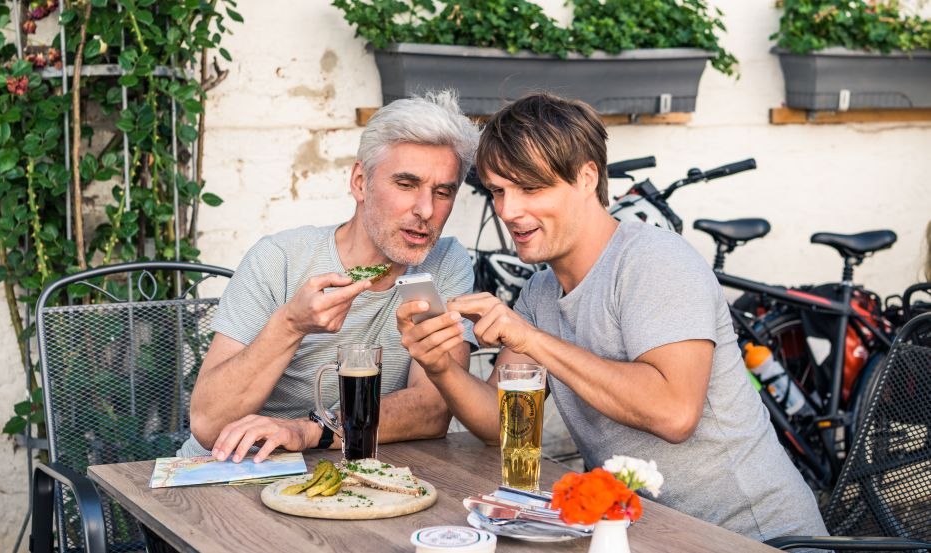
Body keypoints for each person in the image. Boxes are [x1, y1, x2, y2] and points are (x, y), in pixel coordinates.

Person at [397, 93, 828, 543]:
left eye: (531, 188)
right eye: (499, 191)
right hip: (642, 534)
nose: (509, 211)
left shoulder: (654, 260)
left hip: (752, 537)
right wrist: (440, 365)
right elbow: (499, 428)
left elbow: (675, 412)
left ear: (586, 177)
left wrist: (531, 339)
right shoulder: (541, 291)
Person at [183, 90, 480, 462]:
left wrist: (309, 430)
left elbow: (433, 409)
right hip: (240, 466)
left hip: (348, 472)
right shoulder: (280, 258)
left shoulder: (445, 262)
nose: (425, 209)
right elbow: (209, 424)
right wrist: (291, 325)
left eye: (442, 192)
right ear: (359, 182)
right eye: (406, 184)